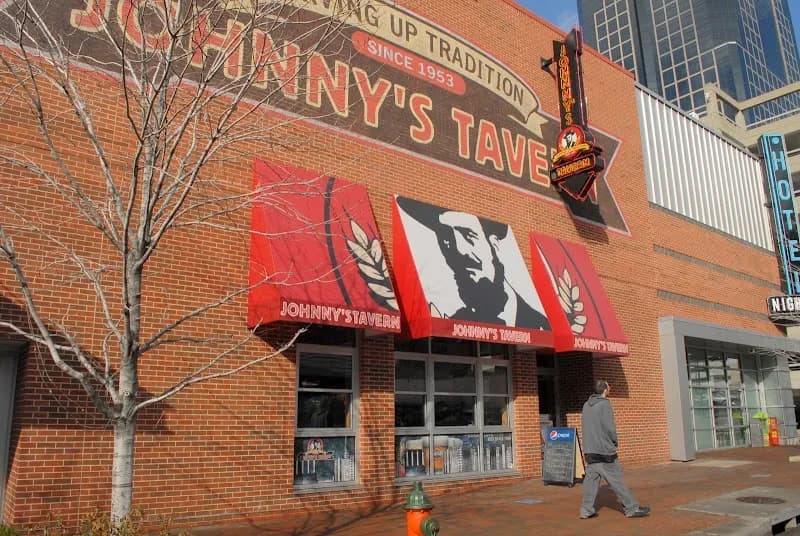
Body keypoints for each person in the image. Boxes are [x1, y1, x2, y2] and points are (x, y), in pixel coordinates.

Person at [397, 197, 549, 329]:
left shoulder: (539, 324)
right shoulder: (452, 321)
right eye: (446, 238)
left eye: (468, 235)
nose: (459, 250)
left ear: (494, 244)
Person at [580, 380, 650, 519]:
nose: (610, 388)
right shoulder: (605, 404)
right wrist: (614, 442)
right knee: (616, 481)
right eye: (609, 386)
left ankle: (586, 510)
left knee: (591, 482)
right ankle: (631, 508)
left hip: (590, 450)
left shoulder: (586, 405)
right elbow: (609, 428)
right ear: (605, 390)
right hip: (605, 451)